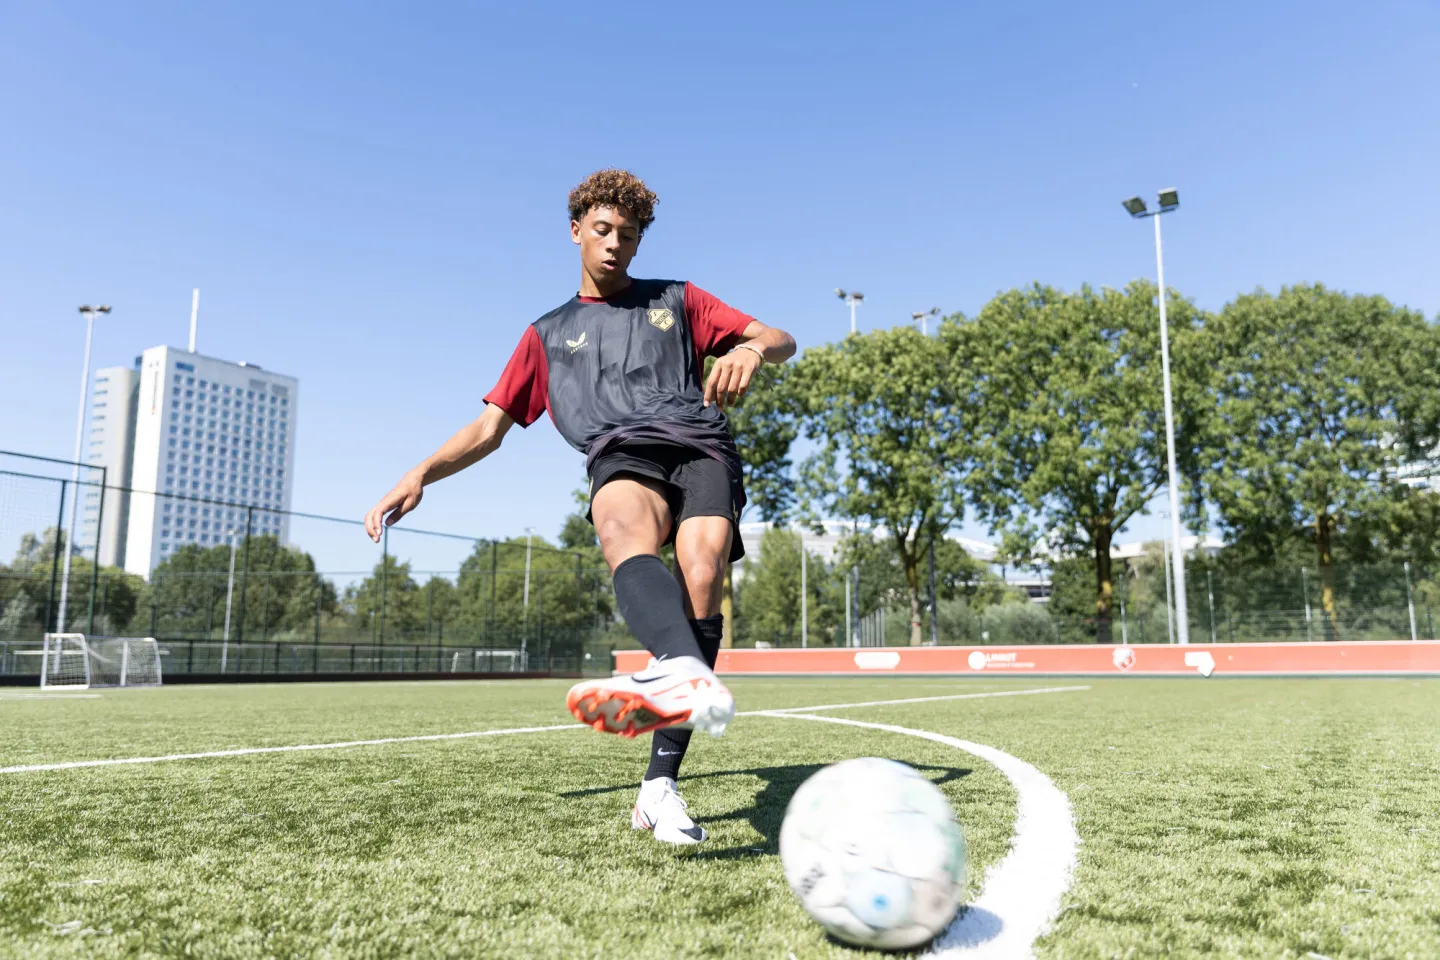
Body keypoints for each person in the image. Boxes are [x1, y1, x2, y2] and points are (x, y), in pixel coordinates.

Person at [364, 169, 796, 845]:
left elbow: (779, 337)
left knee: (703, 574)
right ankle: (684, 672)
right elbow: (487, 429)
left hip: (699, 443)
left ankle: (659, 785)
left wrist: (747, 348)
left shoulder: (677, 301)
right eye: (602, 230)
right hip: (620, 450)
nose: (615, 244)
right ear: (576, 232)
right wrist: (420, 472)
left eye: (628, 234)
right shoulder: (547, 334)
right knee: (622, 525)